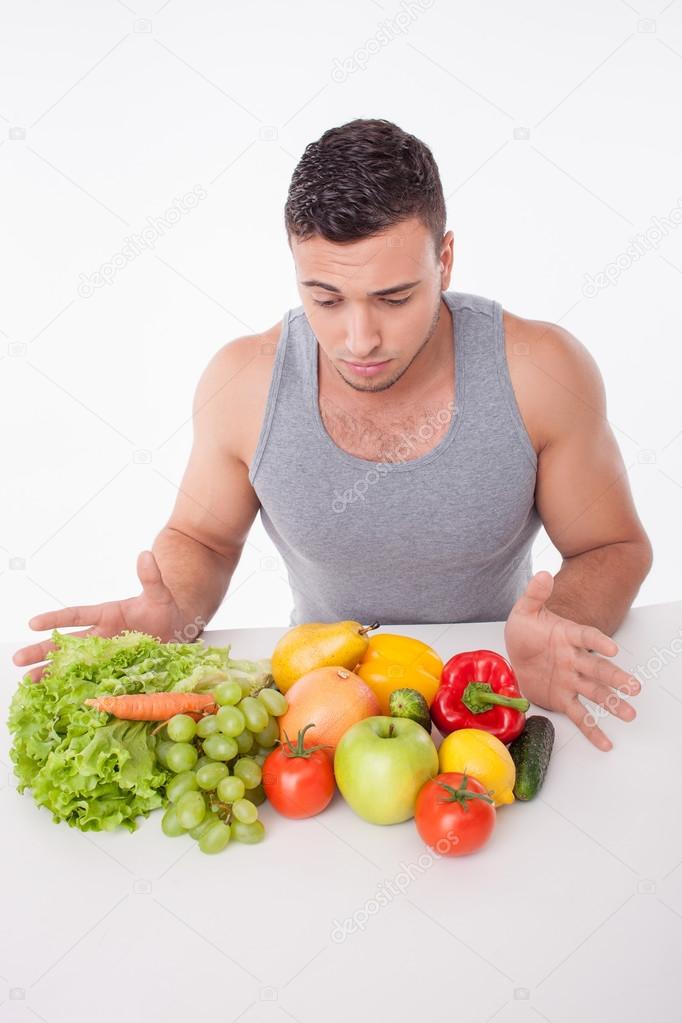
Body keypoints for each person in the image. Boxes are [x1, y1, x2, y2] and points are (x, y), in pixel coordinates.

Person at [13, 118, 653, 753]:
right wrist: (175, 611)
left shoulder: (540, 369)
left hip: (488, 699)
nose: (359, 339)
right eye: (326, 298)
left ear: (446, 260)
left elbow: (613, 545)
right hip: (318, 713)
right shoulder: (243, 382)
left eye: (394, 298)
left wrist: (560, 625)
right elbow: (202, 539)